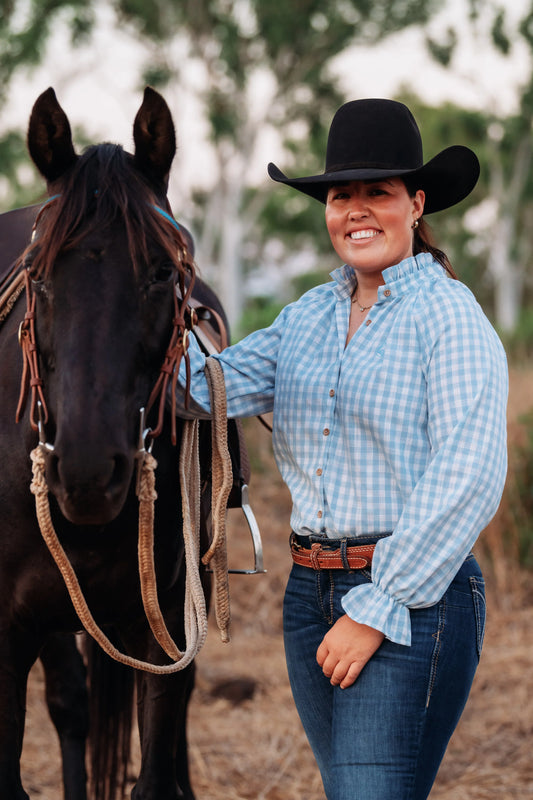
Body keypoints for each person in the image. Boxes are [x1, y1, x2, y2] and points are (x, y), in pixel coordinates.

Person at [177, 98, 508, 800]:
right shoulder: (306, 316)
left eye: (377, 193)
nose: (356, 210)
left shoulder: (446, 316)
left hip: (409, 596)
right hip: (309, 594)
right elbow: (200, 392)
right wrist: (133, 296)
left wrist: (375, 605)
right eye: (340, 195)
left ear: (415, 205)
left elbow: (468, 474)